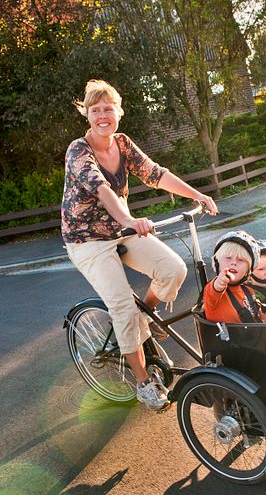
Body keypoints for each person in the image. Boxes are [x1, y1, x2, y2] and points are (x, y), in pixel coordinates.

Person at [62, 79, 218, 409]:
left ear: (118, 112)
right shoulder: (79, 150)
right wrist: (129, 221)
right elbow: (102, 189)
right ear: (87, 115)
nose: (103, 115)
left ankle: (146, 315)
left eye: (108, 108)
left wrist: (198, 195)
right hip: (87, 240)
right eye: (96, 109)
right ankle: (144, 382)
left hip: (121, 230)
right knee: (120, 305)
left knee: (173, 269)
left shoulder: (122, 143)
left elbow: (155, 174)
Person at [203, 231, 266, 324]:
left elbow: (257, 314)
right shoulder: (213, 290)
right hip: (229, 337)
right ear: (217, 262)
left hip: (251, 335)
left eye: (240, 260)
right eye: (228, 258)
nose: (233, 263)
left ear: (248, 270)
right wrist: (220, 281)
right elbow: (214, 290)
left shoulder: (248, 290)